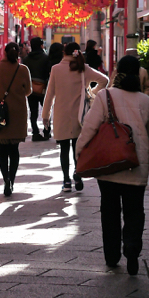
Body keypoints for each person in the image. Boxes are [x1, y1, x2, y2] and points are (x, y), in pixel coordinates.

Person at [77, 55, 149, 275]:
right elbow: (147, 133)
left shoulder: (105, 96)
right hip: (136, 164)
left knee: (109, 211)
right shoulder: (146, 101)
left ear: (117, 72)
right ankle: (132, 248)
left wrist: (79, 152)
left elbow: (89, 127)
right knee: (135, 210)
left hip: (109, 164)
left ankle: (112, 256)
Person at [42, 42, 109, 193]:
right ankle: (77, 175)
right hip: (80, 115)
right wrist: (91, 93)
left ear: (63, 53)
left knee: (64, 149)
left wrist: (45, 115)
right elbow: (104, 80)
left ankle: (66, 181)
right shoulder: (83, 68)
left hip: (61, 115)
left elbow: (50, 94)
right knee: (77, 148)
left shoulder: (56, 69)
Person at [0, 42, 32, 197]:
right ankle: (12, 179)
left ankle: (6, 180)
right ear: (18, 53)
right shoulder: (23, 69)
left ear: (4, 53)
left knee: (2, 150)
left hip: (1, 114)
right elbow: (28, 91)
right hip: (18, 114)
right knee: (14, 149)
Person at [23, 36, 52, 142]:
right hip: (43, 88)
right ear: (41, 45)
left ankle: (35, 132)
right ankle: (46, 131)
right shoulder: (46, 58)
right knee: (46, 111)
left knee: (33, 111)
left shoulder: (26, 59)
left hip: (31, 89)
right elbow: (49, 73)